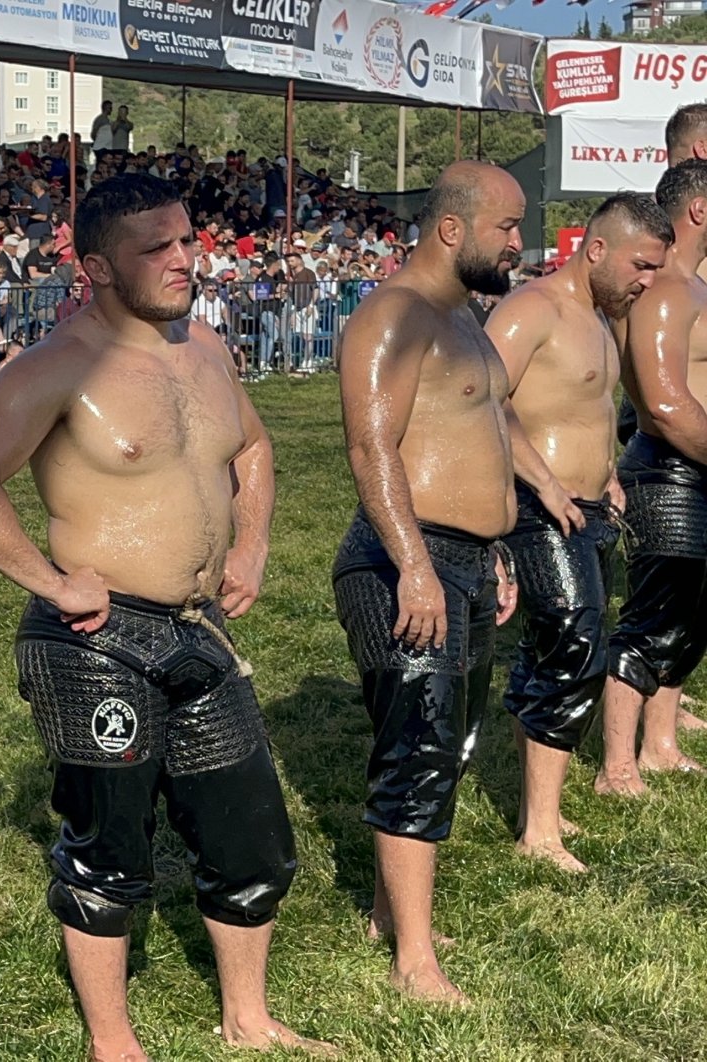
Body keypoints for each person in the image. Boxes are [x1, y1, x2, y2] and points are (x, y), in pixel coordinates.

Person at [0, 174, 328, 1059]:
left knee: (252, 838)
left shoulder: (210, 350)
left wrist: (252, 544)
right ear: (99, 267)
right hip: (96, 641)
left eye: (187, 239)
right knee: (110, 848)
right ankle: (113, 1042)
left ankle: (247, 1019)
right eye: (157, 247)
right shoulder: (55, 365)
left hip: (200, 629)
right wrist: (50, 579)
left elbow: (255, 445)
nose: (184, 258)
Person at [332, 162, 523, 1006]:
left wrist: (498, 550)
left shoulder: (467, 322)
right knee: (418, 748)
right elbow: (372, 447)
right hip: (405, 559)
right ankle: (414, 961)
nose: (518, 243)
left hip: (467, 562)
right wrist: (415, 564)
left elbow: (479, 440)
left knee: (445, 744)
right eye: (508, 227)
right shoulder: (393, 315)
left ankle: (388, 915)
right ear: (453, 229)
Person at [483, 193, 672, 870]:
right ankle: (538, 833)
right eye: (641, 265)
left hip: (589, 508)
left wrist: (607, 479)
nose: (648, 280)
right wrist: (544, 481)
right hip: (541, 509)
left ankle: (542, 808)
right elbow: (482, 397)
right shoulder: (534, 309)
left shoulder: (598, 316)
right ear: (597, 249)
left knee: (550, 653)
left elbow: (587, 411)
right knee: (574, 653)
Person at [598, 159, 707, 798]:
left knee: (691, 615)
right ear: (698, 210)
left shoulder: (690, 285)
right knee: (653, 617)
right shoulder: (667, 289)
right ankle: (616, 767)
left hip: (694, 470)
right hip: (668, 472)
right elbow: (664, 404)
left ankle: (659, 745)